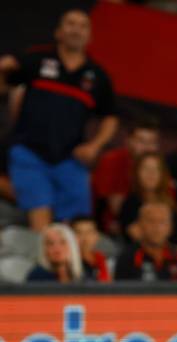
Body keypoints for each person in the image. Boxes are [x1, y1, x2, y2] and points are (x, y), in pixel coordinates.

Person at [0, 9, 118, 231]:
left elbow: (110, 118)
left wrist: (94, 146)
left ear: (90, 36)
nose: (76, 30)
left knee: (78, 226)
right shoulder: (37, 59)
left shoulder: (98, 75)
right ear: (58, 32)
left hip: (70, 159)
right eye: (71, 24)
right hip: (29, 152)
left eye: (83, 26)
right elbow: (6, 83)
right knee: (41, 222)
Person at [92, 116, 161, 235]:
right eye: (141, 141)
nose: (146, 147)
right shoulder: (113, 160)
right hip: (110, 229)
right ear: (129, 141)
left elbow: (166, 202)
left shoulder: (160, 165)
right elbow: (117, 210)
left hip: (150, 227)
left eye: (151, 142)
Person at [114, 203, 177, 281]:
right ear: (140, 225)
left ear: (170, 227)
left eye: (162, 222)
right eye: (151, 221)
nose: (156, 228)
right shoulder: (127, 259)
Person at [118, 152, 177, 244]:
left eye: (156, 169)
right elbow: (138, 236)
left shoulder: (171, 203)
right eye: (146, 169)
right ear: (136, 173)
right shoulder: (130, 204)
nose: (151, 174)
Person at [71, 216, 111, 282]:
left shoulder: (102, 259)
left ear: (97, 236)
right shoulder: (67, 261)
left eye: (89, 232)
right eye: (79, 232)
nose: (85, 238)